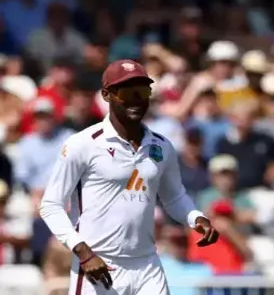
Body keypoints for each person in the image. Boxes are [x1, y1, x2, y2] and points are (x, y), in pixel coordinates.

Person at [39, 59, 220, 295]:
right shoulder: (82, 144)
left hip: (147, 263)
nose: (136, 100)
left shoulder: (162, 146)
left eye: (143, 91)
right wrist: (83, 252)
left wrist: (195, 217)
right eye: (127, 92)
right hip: (99, 263)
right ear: (106, 95)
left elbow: (174, 197)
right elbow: (50, 205)